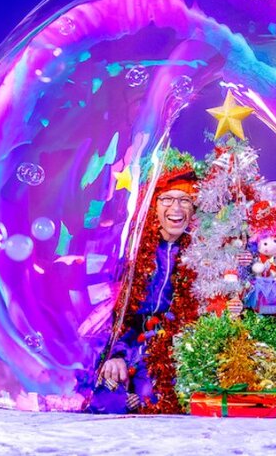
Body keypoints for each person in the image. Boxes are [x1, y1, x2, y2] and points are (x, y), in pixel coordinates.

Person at [87, 151, 200, 414]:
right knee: (106, 393)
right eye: (167, 199)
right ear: (153, 205)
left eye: (185, 200)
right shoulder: (128, 247)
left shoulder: (202, 253)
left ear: (195, 210)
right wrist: (113, 354)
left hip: (174, 344)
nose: (176, 208)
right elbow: (102, 310)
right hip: (126, 338)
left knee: (156, 398)